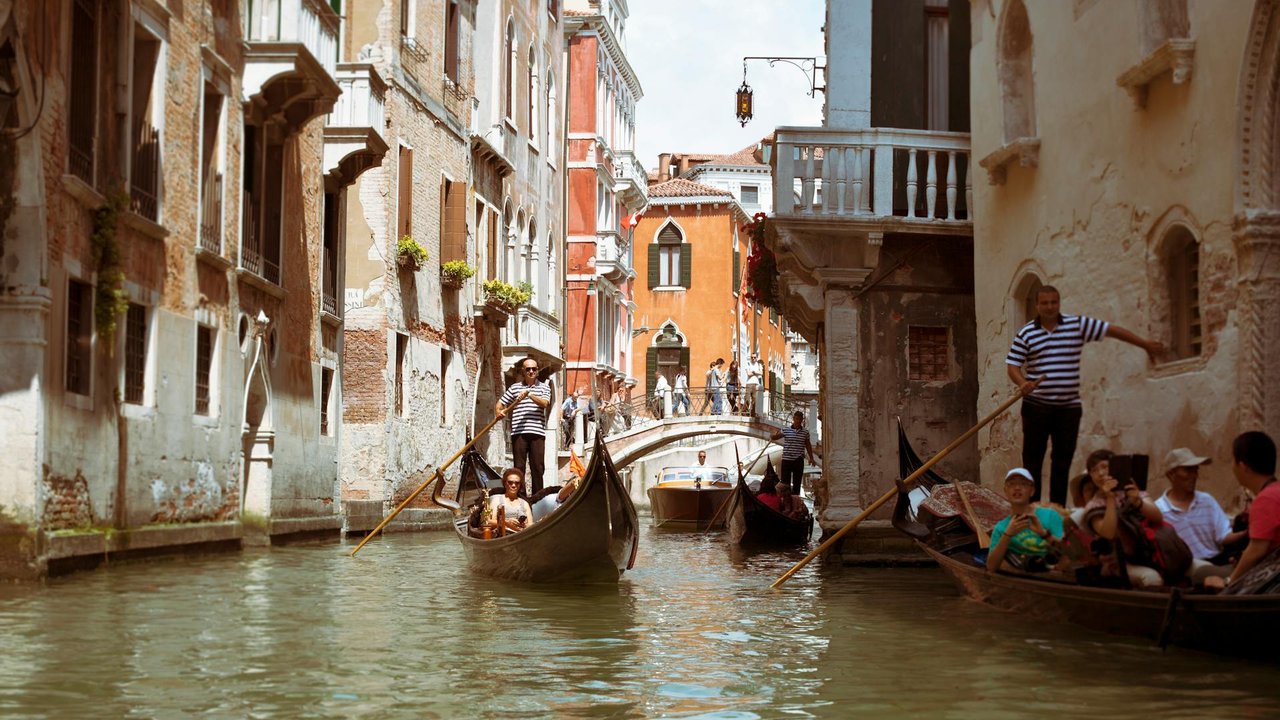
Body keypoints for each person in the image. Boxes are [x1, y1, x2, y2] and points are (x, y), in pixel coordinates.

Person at [1006, 285, 1165, 504]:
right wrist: (1022, 382)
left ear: (1059, 303)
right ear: (1037, 305)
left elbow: (1112, 330)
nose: (1050, 307)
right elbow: (1012, 365)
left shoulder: (1076, 325)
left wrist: (1145, 344)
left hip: (1068, 408)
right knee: (1032, 462)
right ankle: (1031, 510)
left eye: (1054, 302)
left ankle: (1057, 510)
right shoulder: (1026, 333)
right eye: (1045, 303)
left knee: (1062, 462)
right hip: (1037, 406)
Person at [1154, 447, 1243, 583]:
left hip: (1216, 561)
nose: (1194, 475)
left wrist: (1247, 533)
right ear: (1171, 474)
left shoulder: (1206, 501)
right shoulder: (1159, 510)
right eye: (1188, 470)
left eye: (1195, 470)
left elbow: (1223, 536)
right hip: (1188, 569)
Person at [1081, 449, 1166, 588]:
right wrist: (1109, 498)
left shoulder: (1132, 490)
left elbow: (1157, 517)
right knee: (1152, 579)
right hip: (1118, 563)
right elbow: (1108, 533)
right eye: (1095, 470)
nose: (1101, 473)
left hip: (1151, 553)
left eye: (1104, 466)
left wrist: (1137, 501)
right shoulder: (1093, 506)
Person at [1226, 431, 1280, 588]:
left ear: (1243, 466)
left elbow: (1256, 551)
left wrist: (1228, 582)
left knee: (1201, 575)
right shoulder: (1275, 491)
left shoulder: (1266, 499)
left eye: (1233, 460)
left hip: (1271, 583)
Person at [987, 468, 1066, 573]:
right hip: (1022, 579)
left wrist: (1043, 534)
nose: (1017, 488)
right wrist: (1007, 535)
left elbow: (1068, 552)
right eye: (1011, 484)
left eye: (1023, 484)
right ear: (1005, 491)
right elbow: (991, 567)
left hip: (1053, 576)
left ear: (1032, 491)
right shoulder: (1001, 528)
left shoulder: (1050, 515)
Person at [495, 356, 553, 495]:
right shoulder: (515, 388)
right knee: (519, 468)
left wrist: (529, 395)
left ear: (537, 371)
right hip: (519, 433)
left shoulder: (544, 387)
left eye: (534, 369)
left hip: (537, 433)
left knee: (538, 468)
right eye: (528, 369)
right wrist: (499, 412)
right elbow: (500, 403)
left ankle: (538, 498)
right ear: (523, 371)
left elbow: (545, 403)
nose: (531, 371)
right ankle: (520, 498)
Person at [771, 410, 818, 495]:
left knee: (797, 483)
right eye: (796, 419)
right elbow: (775, 437)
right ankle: (786, 501)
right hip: (786, 460)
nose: (798, 421)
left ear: (802, 420)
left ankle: (795, 500)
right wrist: (773, 436)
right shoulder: (785, 430)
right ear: (793, 419)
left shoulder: (805, 432)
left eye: (800, 419)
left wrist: (811, 458)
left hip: (798, 460)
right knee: (785, 483)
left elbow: (808, 445)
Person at [486, 468, 536, 535]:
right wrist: (507, 522)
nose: (513, 485)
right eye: (510, 482)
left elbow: (531, 525)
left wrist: (523, 525)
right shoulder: (497, 500)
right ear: (505, 483)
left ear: (520, 485)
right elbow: (488, 522)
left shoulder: (525, 503)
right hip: (502, 536)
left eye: (517, 483)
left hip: (522, 536)